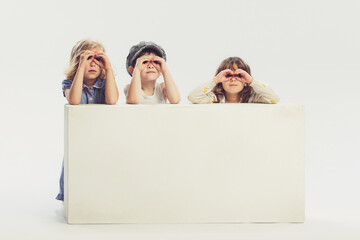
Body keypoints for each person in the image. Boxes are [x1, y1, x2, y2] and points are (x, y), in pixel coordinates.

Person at [56, 39, 119, 201]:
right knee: (73, 167)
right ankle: (69, 198)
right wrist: (81, 66)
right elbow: (74, 100)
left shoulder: (105, 83)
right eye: (87, 59)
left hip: (100, 138)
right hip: (78, 139)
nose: (92, 64)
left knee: (99, 170)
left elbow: (112, 100)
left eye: (97, 59)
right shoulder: (69, 83)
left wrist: (108, 67)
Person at [188, 57, 279, 104]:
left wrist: (251, 81)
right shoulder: (215, 99)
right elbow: (193, 97)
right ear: (221, 80)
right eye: (228, 75)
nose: (233, 79)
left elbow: (274, 98)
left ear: (246, 82)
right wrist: (215, 80)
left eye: (239, 75)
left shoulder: (252, 98)